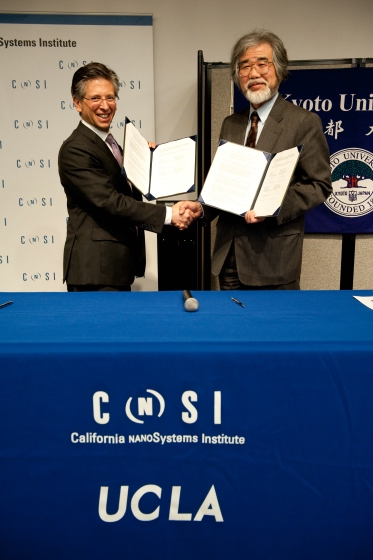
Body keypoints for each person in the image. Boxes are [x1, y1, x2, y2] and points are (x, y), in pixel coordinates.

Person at [205, 29, 332, 290]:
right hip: (228, 257)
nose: (253, 73)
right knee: (234, 330)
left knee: (274, 331)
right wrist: (201, 207)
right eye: (245, 66)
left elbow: (319, 184)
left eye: (262, 63)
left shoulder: (303, 122)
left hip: (272, 260)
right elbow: (225, 182)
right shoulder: (231, 123)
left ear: (280, 69)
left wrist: (271, 207)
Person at [58, 62, 201, 292]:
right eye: (95, 98)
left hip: (115, 267)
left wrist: (147, 161)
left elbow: (125, 191)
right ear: (77, 103)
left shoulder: (111, 146)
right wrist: (169, 214)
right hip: (95, 271)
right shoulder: (76, 148)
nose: (105, 106)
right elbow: (111, 202)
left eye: (110, 97)